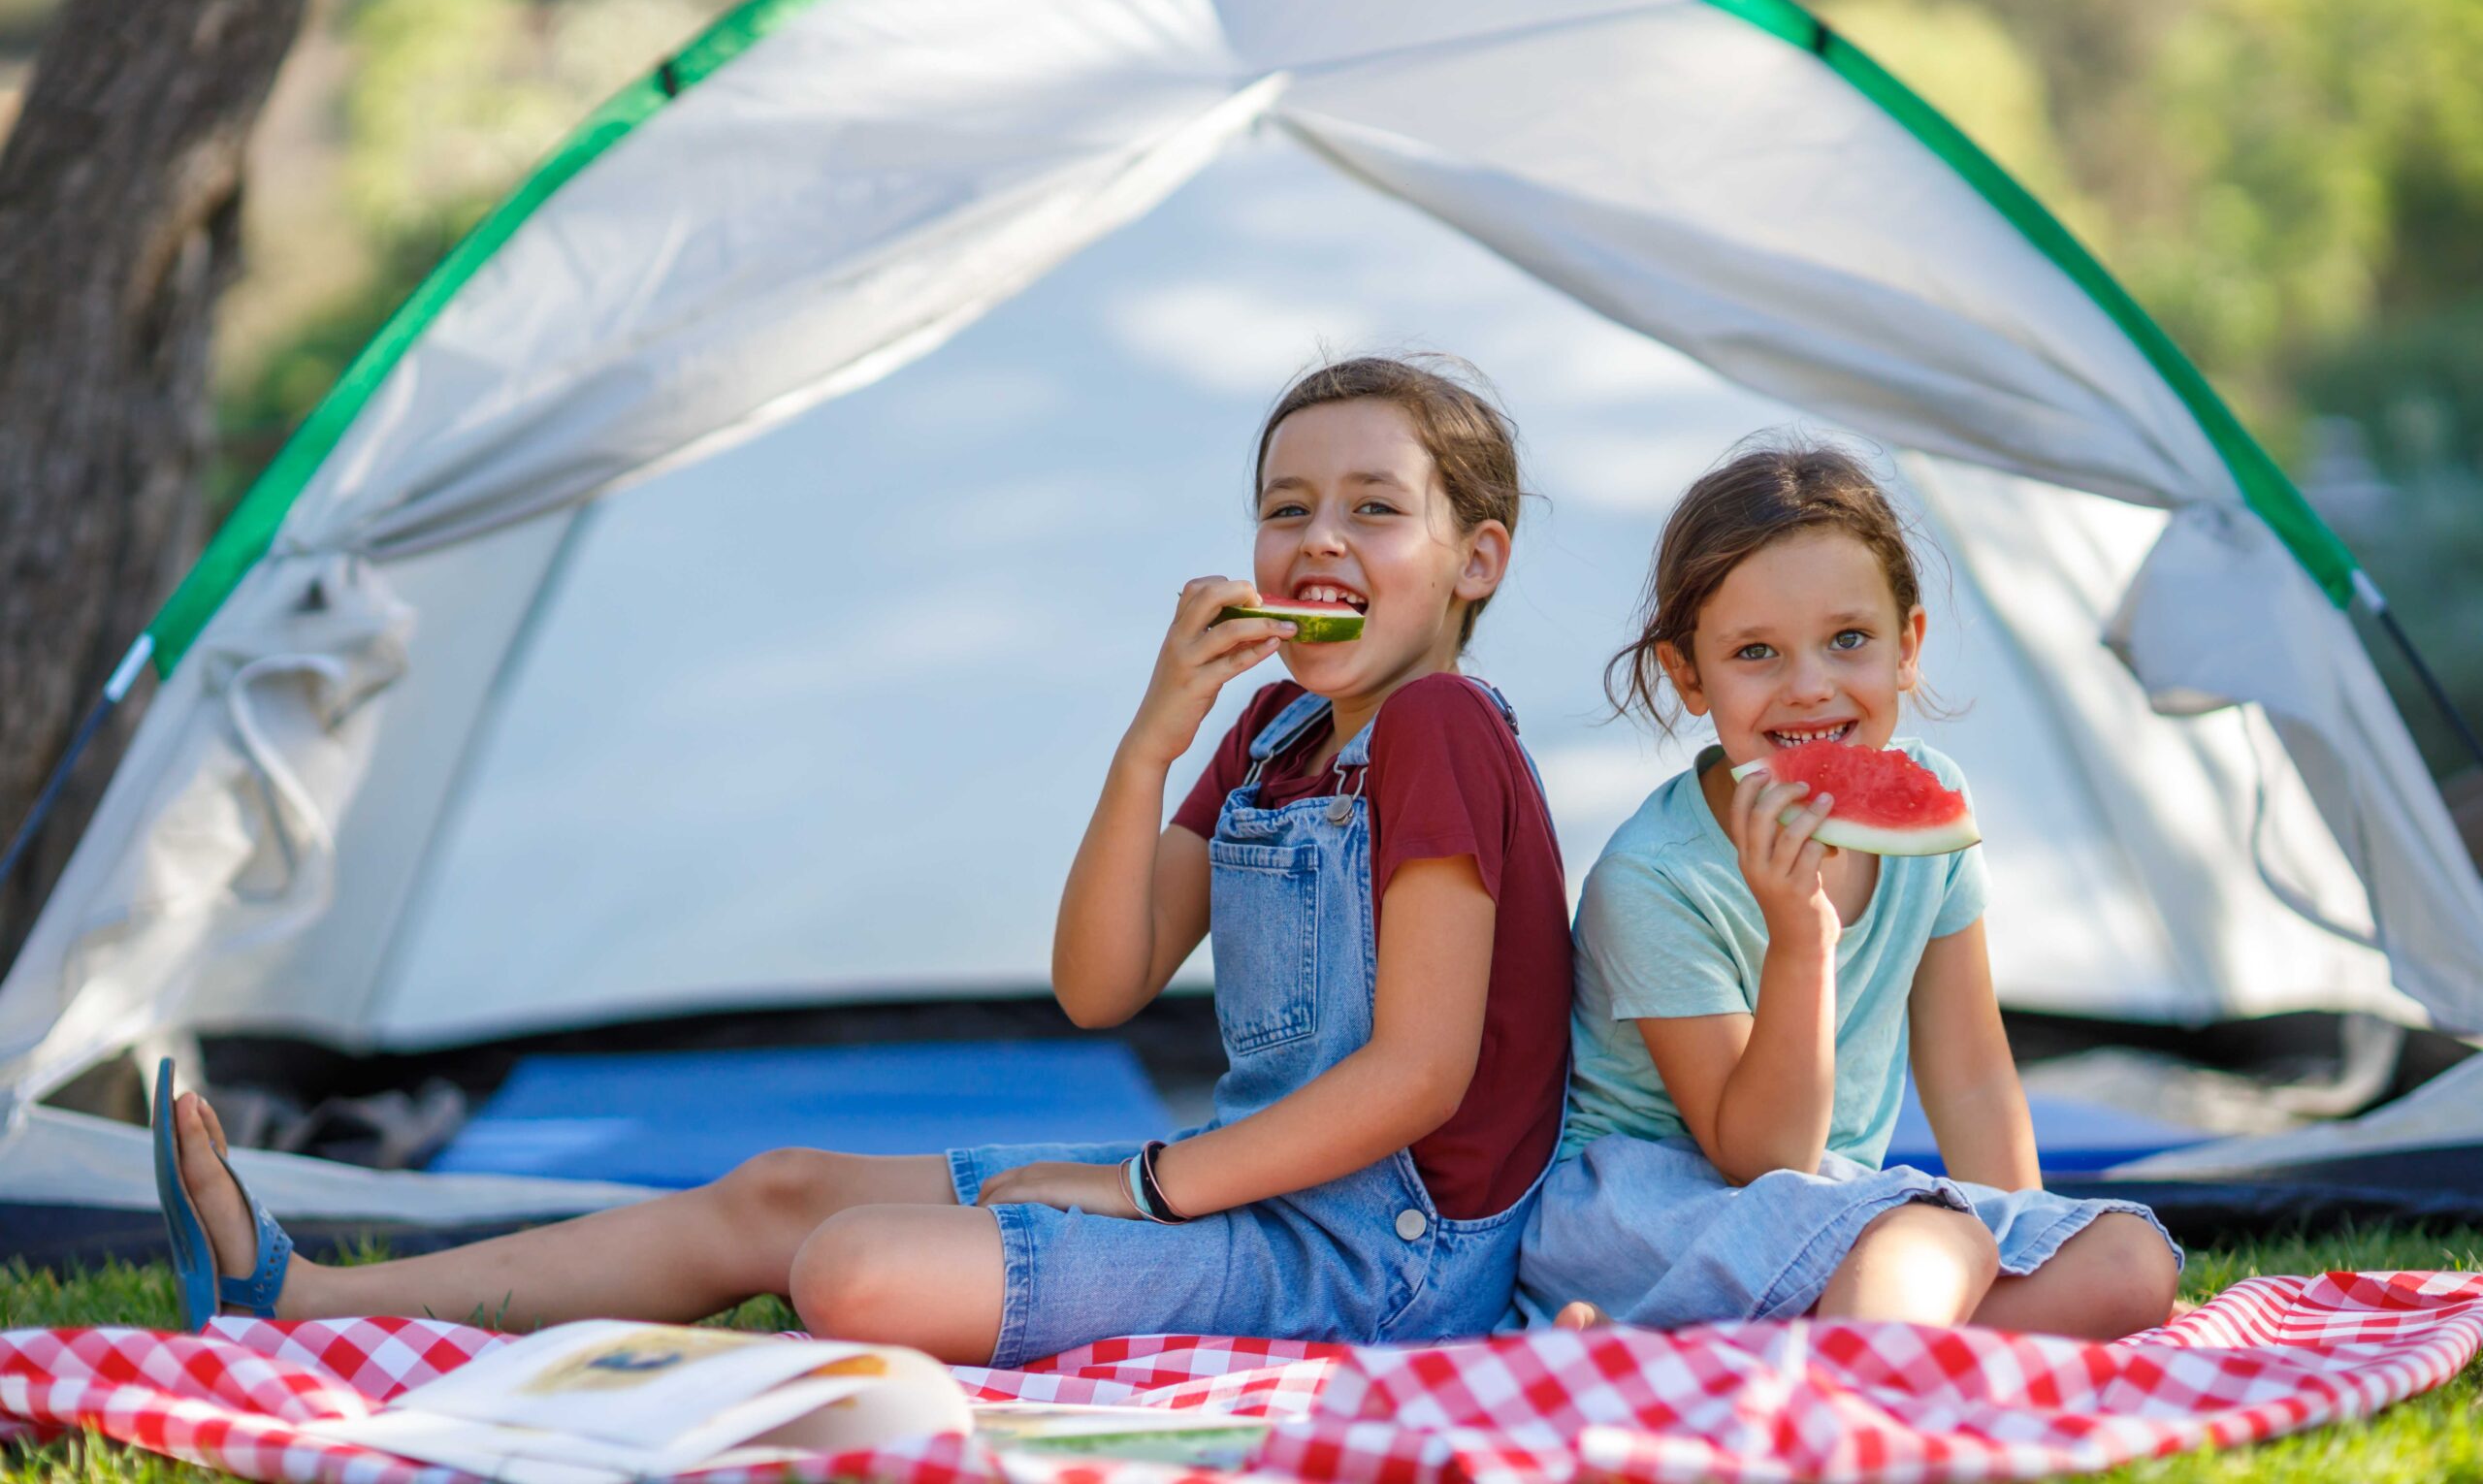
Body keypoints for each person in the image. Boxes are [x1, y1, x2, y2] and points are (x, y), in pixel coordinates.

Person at [158, 354, 1573, 1368]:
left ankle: (331, 1304)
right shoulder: (1271, 731)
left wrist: (1142, 1185)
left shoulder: (1441, 725)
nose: (1320, 536)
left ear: (1476, 559)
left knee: (844, 1262)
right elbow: (1101, 984)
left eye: (1376, 508)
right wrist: (1152, 737)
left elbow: (1418, 1074)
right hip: (1244, 1191)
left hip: (1379, 1259)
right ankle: (301, 1295)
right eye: (1288, 503)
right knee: (779, 1185)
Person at [1514, 439, 2181, 1339]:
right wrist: (1800, 940)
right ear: (1687, 675)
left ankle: (1784, 1350)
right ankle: (1854, 1370)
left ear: (1908, 646)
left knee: (2129, 1265)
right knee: (1928, 1239)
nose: (1811, 688)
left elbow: (1973, 1074)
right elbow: (1759, 1154)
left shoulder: (1933, 816)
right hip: (1653, 1216)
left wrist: (2022, 1234)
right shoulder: (1654, 876)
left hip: (1836, 1215)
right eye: (1756, 652)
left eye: (1849, 640)